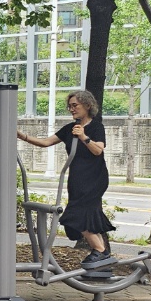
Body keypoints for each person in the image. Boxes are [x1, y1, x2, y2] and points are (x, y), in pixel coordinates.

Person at [18, 89, 115, 268]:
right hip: (77, 178)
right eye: (69, 106)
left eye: (75, 105)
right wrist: (21, 135)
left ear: (87, 105)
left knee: (77, 214)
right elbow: (45, 142)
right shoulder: (69, 129)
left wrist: (83, 137)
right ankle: (103, 254)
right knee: (88, 214)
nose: (71, 109)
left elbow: (98, 150)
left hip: (94, 177)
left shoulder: (96, 127)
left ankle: (100, 250)